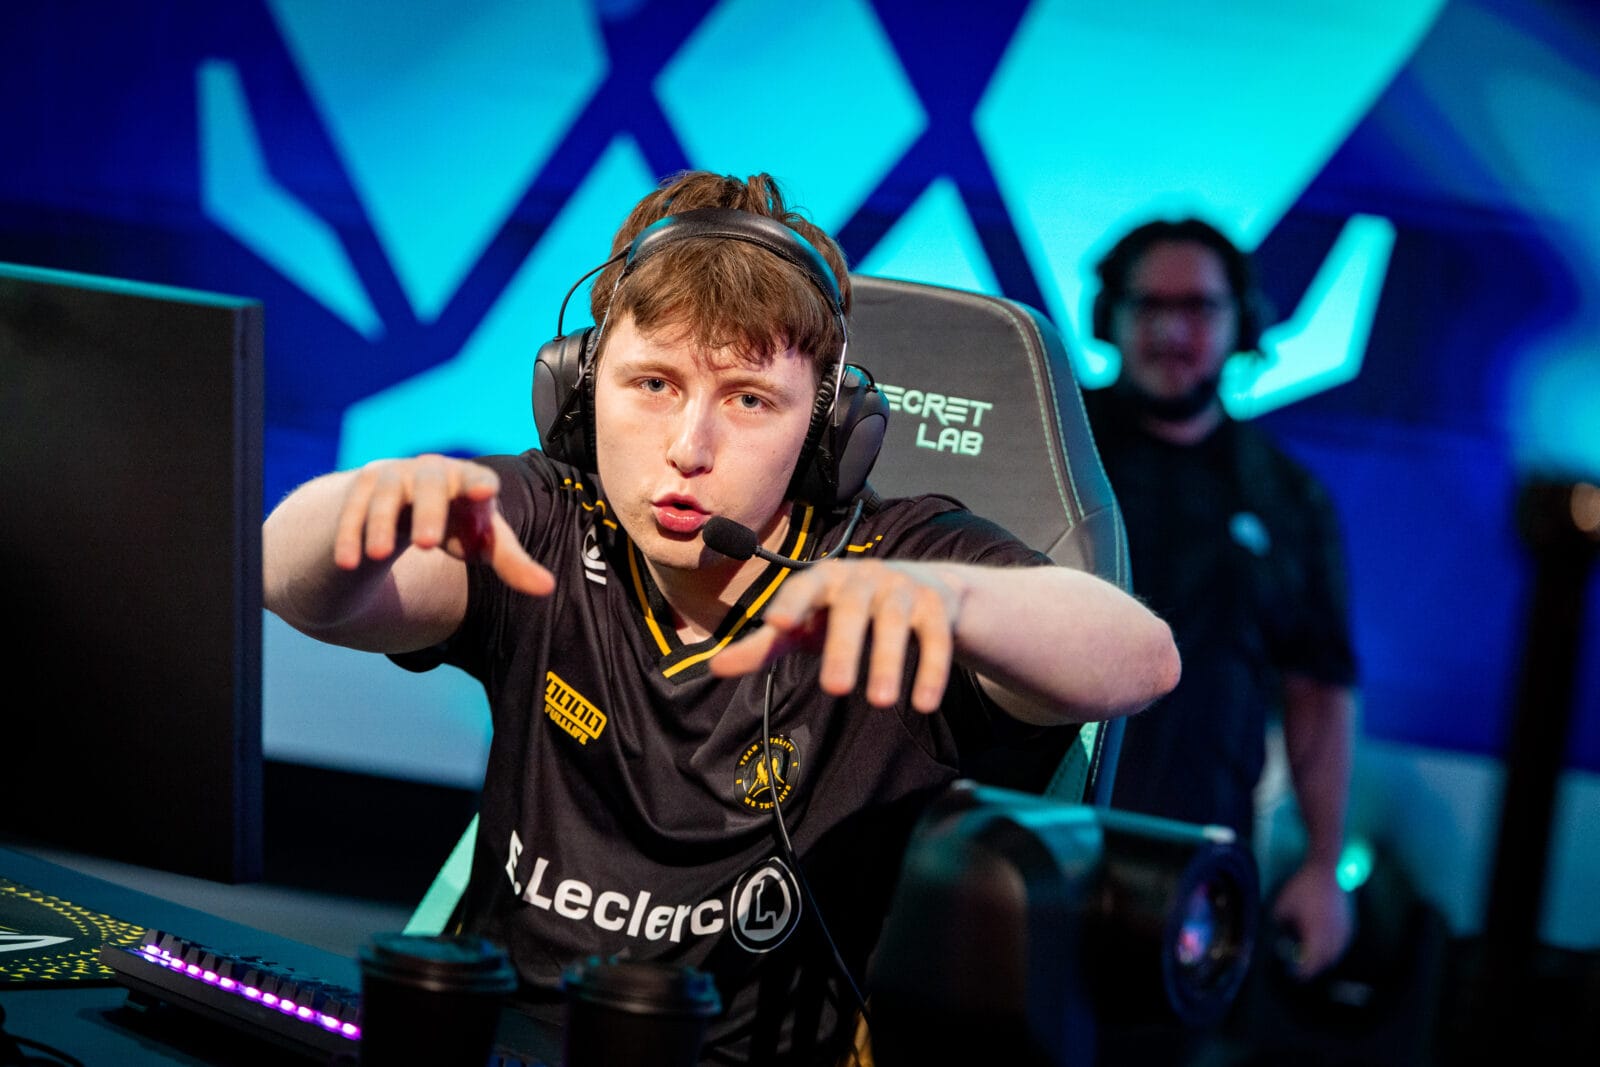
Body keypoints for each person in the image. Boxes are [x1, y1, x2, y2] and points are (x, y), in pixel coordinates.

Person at [264, 170, 1179, 1065]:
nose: (688, 448)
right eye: (652, 383)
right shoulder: (547, 520)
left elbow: (1143, 660)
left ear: (826, 428)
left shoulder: (895, 564)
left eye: (748, 399)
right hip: (499, 1039)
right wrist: (357, 510)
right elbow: (289, 580)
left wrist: (954, 601)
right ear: (580, 389)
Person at [1082, 218, 1359, 991]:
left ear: (1244, 322)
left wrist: (1323, 864)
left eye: (1198, 307)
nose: (1172, 330)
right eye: (1148, 305)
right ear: (1109, 317)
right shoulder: (1054, 447)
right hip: (1035, 845)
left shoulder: (1290, 499)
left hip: (1197, 877)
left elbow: (1319, 689)